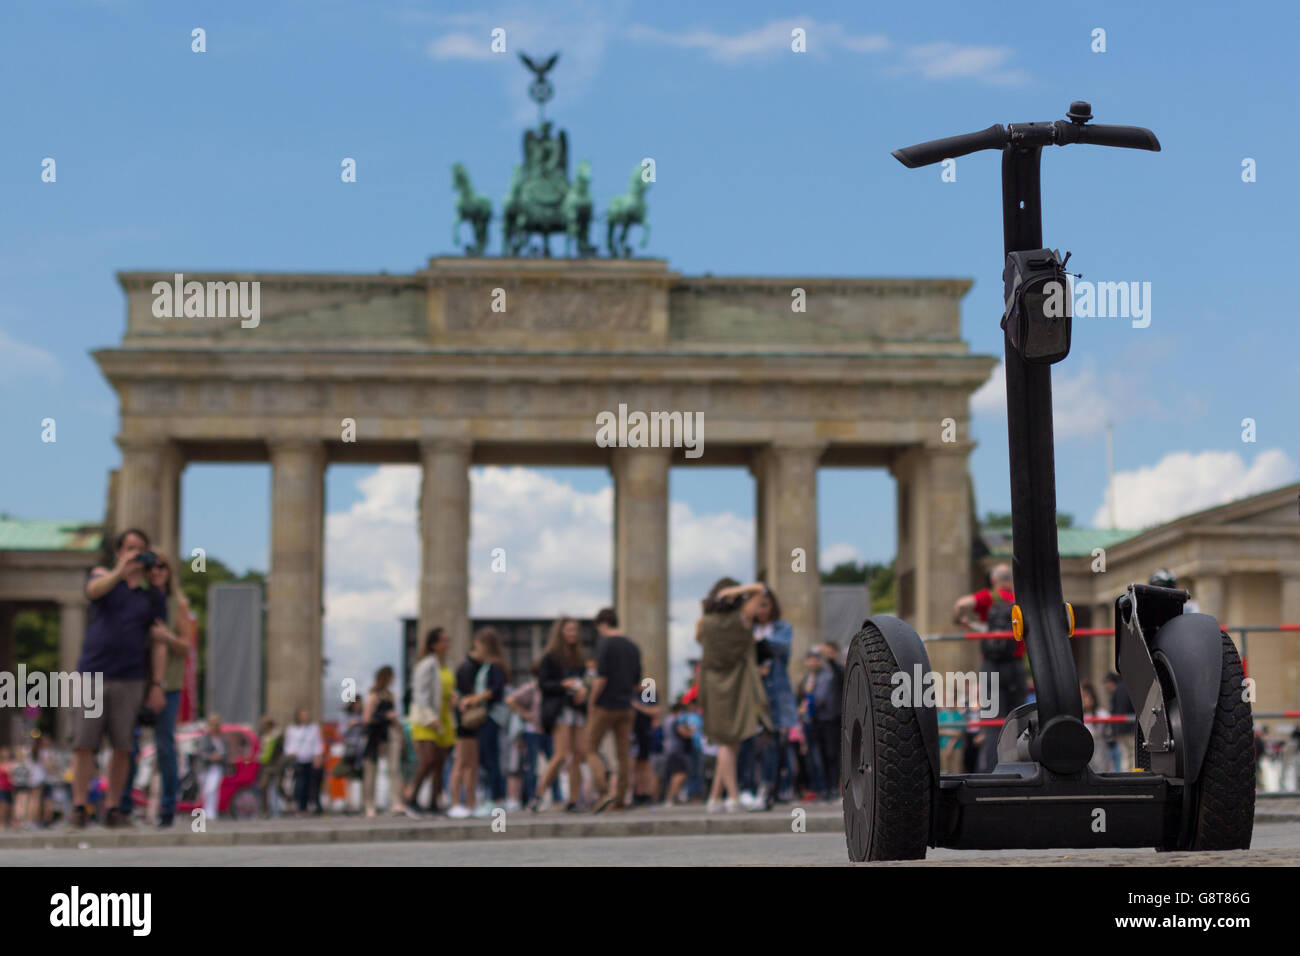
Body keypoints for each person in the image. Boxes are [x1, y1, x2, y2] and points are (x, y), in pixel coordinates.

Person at [71, 528, 169, 828]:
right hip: (92, 673)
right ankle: (79, 807)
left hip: (131, 678)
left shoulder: (152, 594)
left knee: (123, 746)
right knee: (84, 744)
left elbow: (158, 641)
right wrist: (120, 570)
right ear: (119, 551)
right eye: (129, 548)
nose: (135, 554)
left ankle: (115, 808)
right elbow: (93, 592)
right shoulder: (103, 578)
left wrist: (157, 685)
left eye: (141, 549)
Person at [119, 550, 194, 828]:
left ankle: (167, 808)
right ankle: (123, 804)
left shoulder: (178, 603)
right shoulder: (138, 598)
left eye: (162, 566)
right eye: (151, 567)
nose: (156, 571)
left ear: (170, 571)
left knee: (165, 746)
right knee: (128, 744)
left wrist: (167, 637)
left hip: (168, 684)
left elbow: (186, 646)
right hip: (136, 680)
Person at [696, 580, 771, 812]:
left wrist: (721, 596)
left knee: (727, 741)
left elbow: (697, 639)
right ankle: (733, 798)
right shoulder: (742, 618)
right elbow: (760, 589)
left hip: (712, 683)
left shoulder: (704, 621)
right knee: (730, 742)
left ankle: (715, 798)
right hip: (738, 682)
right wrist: (736, 591)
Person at [954, 564, 1025, 773]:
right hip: (1015, 664)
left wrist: (961, 620)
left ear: (994, 581)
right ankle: (1019, 770)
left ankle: (995, 773)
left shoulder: (988, 596)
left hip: (991, 666)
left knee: (993, 723)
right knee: (1017, 720)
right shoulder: (1018, 599)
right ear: (1011, 580)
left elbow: (961, 604)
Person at [586, 607, 642, 813]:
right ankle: (619, 798)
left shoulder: (604, 644)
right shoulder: (633, 647)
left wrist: (591, 701)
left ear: (602, 624)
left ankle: (603, 790)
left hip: (605, 705)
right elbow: (637, 683)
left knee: (590, 748)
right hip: (626, 706)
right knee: (623, 755)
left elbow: (602, 678)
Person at [448, 628, 507, 819]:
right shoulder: (477, 666)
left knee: (485, 759)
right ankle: (478, 801)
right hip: (480, 718)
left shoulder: (493, 666)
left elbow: (493, 690)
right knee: (476, 761)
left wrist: (473, 700)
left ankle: (494, 800)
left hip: (488, 716)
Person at [750, 586, 796, 810]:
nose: (761, 610)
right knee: (755, 741)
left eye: (765, 605)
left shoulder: (782, 627)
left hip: (776, 691)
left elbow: (781, 650)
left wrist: (758, 646)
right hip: (754, 691)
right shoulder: (748, 627)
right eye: (757, 605)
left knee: (775, 741)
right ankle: (756, 787)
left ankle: (770, 787)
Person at [406, 627, 455, 814]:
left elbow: (444, 689)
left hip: (443, 718)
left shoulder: (444, 665)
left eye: (448, 639)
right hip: (426, 719)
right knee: (427, 760)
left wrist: (453, 698)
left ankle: (434, 802)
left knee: (439, 763)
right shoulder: (426, 664)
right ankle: (411, 797)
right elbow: (421, 694)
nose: (447, 643)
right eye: (443, 640)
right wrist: (430, 718)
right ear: (434, 644)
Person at [362, 666, 413, 817]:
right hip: (376, 735)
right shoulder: (373, 696)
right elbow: (367, 719)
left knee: (394, 769)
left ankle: (395, 802)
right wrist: (385, 716)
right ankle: (369, 804)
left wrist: (400, 731)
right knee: (371, 770)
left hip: (391, 733)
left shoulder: (391, 695)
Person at [812, 641, 844, 799]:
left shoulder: (838, 670)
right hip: (820, 719)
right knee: (821, 755)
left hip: (833, 718)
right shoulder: (821, 672)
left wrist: (830, 658)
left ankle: (834, 787)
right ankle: (824, 788)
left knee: (833, 755)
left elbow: (840, 677)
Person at [284, 706, 323, 816]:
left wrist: (318, 756)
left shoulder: (314, 728)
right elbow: (288, 745)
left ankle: (312, 805)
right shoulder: (292, 729)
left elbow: (317, 743)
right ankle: (300, 806)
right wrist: (291, 753)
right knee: (300, 784)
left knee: (311, 784)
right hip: (298, 759)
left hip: (310, 758)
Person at [196, 714, 226, 819]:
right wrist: (210, 757)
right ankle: (207, 810)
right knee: (205, 791)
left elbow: (226, 752)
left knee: (211, 789)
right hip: (204, 767)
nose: (214, 727)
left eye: (216, 724)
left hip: (216, 767)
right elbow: (201, 753)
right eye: (212, 724)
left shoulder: (222, 738)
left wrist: (220, 757)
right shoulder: (205, 738)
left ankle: (211, 813)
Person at [1103, 672, 1134, 772]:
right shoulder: (1130, 687)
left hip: (1119, 728)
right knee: (1133, 754)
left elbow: (1113, 710)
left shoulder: (1117, 690)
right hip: (1131, 727)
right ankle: (1133, 777)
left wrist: (1114, 728)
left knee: (1125, 755)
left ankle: (1125, 777)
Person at [255, 716, 286, 818]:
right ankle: (265, 810)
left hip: (276, 765)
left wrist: (281, 764)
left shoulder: (277, 736)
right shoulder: (263, 736)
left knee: (278, 786)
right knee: (263, 786)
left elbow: (282, 750)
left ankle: (283, 805)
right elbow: (262, 750)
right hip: (266, 766)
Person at [1080, 682, 1111, 773]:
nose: (1083, 700)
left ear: (1092, 697)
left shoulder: (1101, 713)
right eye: (1082, 697)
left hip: (1099, 748)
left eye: (1085, 696)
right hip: (1085, 749)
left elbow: (1109, 731)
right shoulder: (1079, 715)